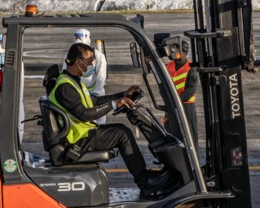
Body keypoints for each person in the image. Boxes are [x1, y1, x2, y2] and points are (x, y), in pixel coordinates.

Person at [50, 42, 173, 198]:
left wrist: (123, 95)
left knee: (121, 130)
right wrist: (115, 104)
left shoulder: (73, 82)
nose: (91, 66)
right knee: (123, 134)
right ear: (78, 62)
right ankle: (145, 181)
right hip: (77, 140)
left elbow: (94, 102)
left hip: (82, 134)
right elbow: (84, 114)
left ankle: (146, 178)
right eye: (88, 62)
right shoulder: (65, 87)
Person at [162, 34, 199, 149]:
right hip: (172, 104)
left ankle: (193, 158)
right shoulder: (168, 65)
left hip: (186, 106)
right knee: (171, 132)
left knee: (190, 137)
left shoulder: (191, 68)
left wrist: (176, 101)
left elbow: (191, 90)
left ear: (185, 52)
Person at [73, 28, 107, 122]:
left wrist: (97, 93)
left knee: (99, 118)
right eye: (76, 37)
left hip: (95, 93)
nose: (77, 40)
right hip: (79, 93)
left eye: (79, 37)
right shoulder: (70, 55)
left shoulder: (98, 56)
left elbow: (101, 76)